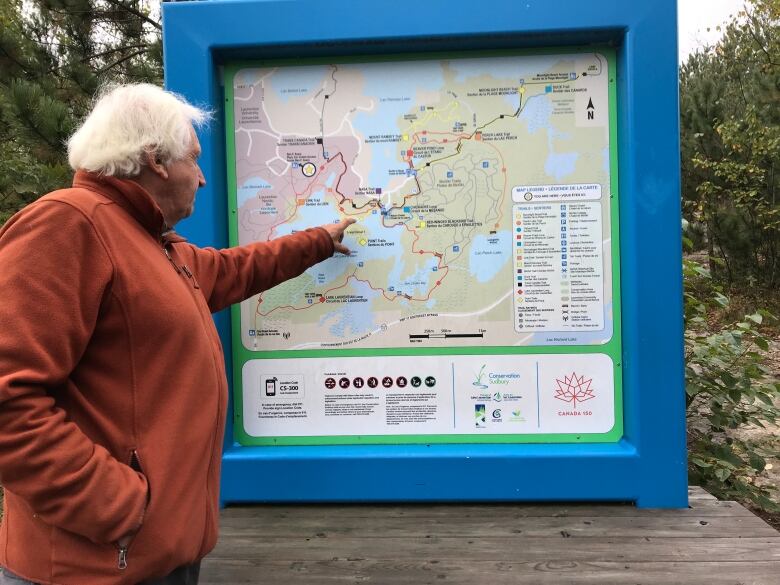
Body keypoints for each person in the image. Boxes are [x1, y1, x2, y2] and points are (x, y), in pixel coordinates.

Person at [0, 83, 355, 585]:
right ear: (156, 160)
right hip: (91, 567)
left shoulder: (151, 245)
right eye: (194, 159)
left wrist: (319, 241)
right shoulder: (68, 225)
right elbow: (8, 400)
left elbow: (235, 269)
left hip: (159, 556)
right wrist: (119, 507)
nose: (204, 178)